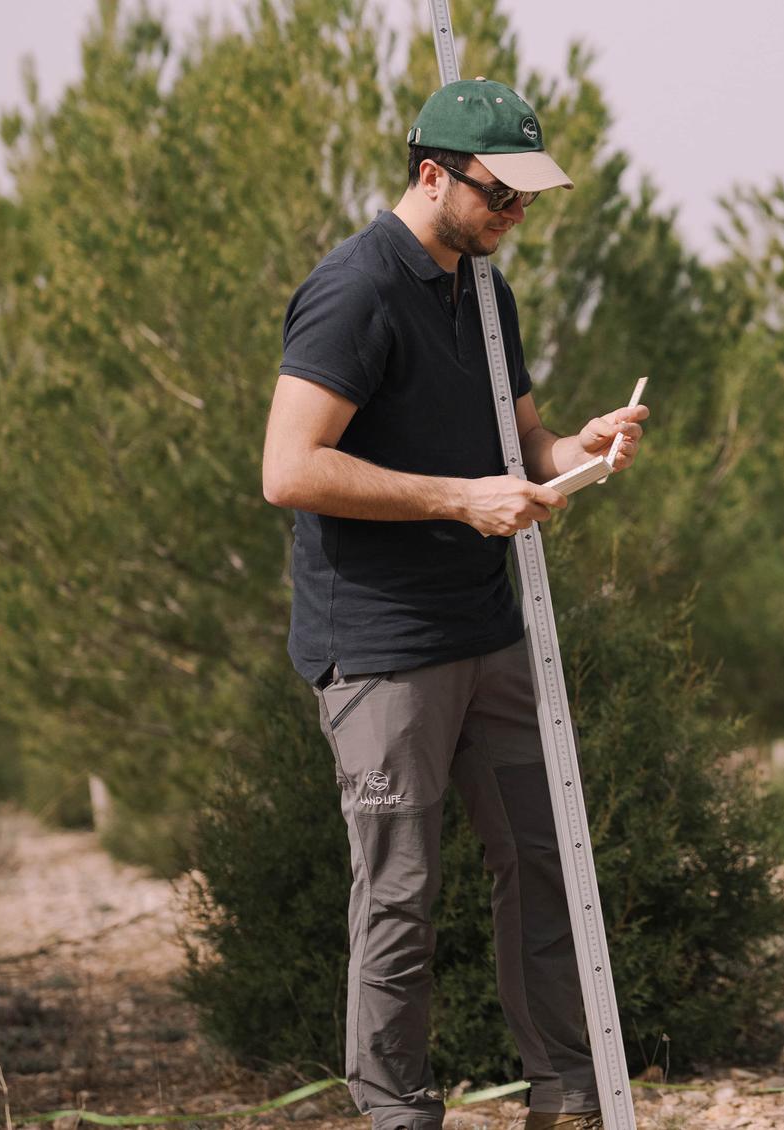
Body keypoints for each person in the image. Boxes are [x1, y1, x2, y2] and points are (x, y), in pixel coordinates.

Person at [259, 78, 648, 1130]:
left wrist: (580, 451)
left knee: (546, 864)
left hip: (489, 634)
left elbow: (526, 449)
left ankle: (569, 1098)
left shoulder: (485, 290)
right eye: (500, 194)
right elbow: (289, 469)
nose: (516, 215)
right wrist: (458, 498)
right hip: (381, 649)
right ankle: (398, 1112)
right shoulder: (353, 291)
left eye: (529, 197)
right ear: (432, 175)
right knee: (399, 895)